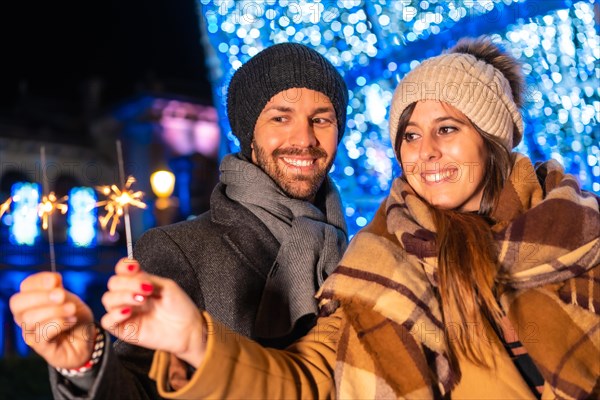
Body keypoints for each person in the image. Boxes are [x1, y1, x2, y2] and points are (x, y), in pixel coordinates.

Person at [99, 36, 599, 399]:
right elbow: (308, 379)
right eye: (409, 135)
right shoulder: (382, 262)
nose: (424, 152)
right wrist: (193, 341)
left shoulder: (581, 233)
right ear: (248, 133)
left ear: (491, 142)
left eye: (446, 128)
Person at [9, 42, 350, 399]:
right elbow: (138, 389)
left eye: (321, 119)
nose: (304, 139)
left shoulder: (356, 249)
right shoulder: (179, 247)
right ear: (249, 132)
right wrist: (85, 362)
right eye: (281, 117)